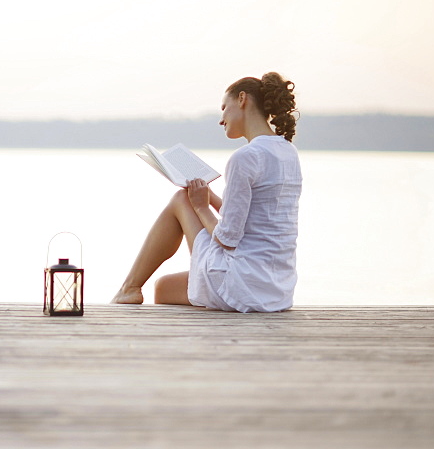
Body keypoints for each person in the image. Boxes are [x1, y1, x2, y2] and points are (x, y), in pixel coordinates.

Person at [111, 72, 301, 312]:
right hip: (275, 291)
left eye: (224, 107)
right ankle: (131, 288)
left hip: (241, 284)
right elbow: (251, 220)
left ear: (242, 99)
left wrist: (200, 206)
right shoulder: (288, 152)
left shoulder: (246, 157)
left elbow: (228, 239)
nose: (221, 119)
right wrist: (208, 196)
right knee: (163, 288)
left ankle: (129, 287)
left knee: (181, 198)